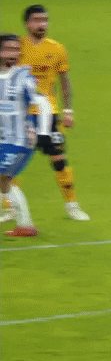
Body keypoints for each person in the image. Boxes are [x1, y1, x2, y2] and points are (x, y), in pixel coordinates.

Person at [19, 5, 90, 221]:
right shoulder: (16, 48)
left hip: (48, 114)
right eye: (36, 20)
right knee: (9, 161)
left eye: (45, 20)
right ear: (27, 24)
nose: (42, 24)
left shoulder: (57, 49)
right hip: (20, 113)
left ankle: (72, 205)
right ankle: (10, 207)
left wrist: (68, 110)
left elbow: (64, 81)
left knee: (59, 159)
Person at [0, 33, 52, 236]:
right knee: (4, 181)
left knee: (4, 178)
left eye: (16, 49)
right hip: (3, 139)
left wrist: (45, 134)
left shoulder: (23, 76)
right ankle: (25, 225)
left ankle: (25, 224)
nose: (13, 53)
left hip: (20, 140)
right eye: (8, 49)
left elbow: (43, 103)